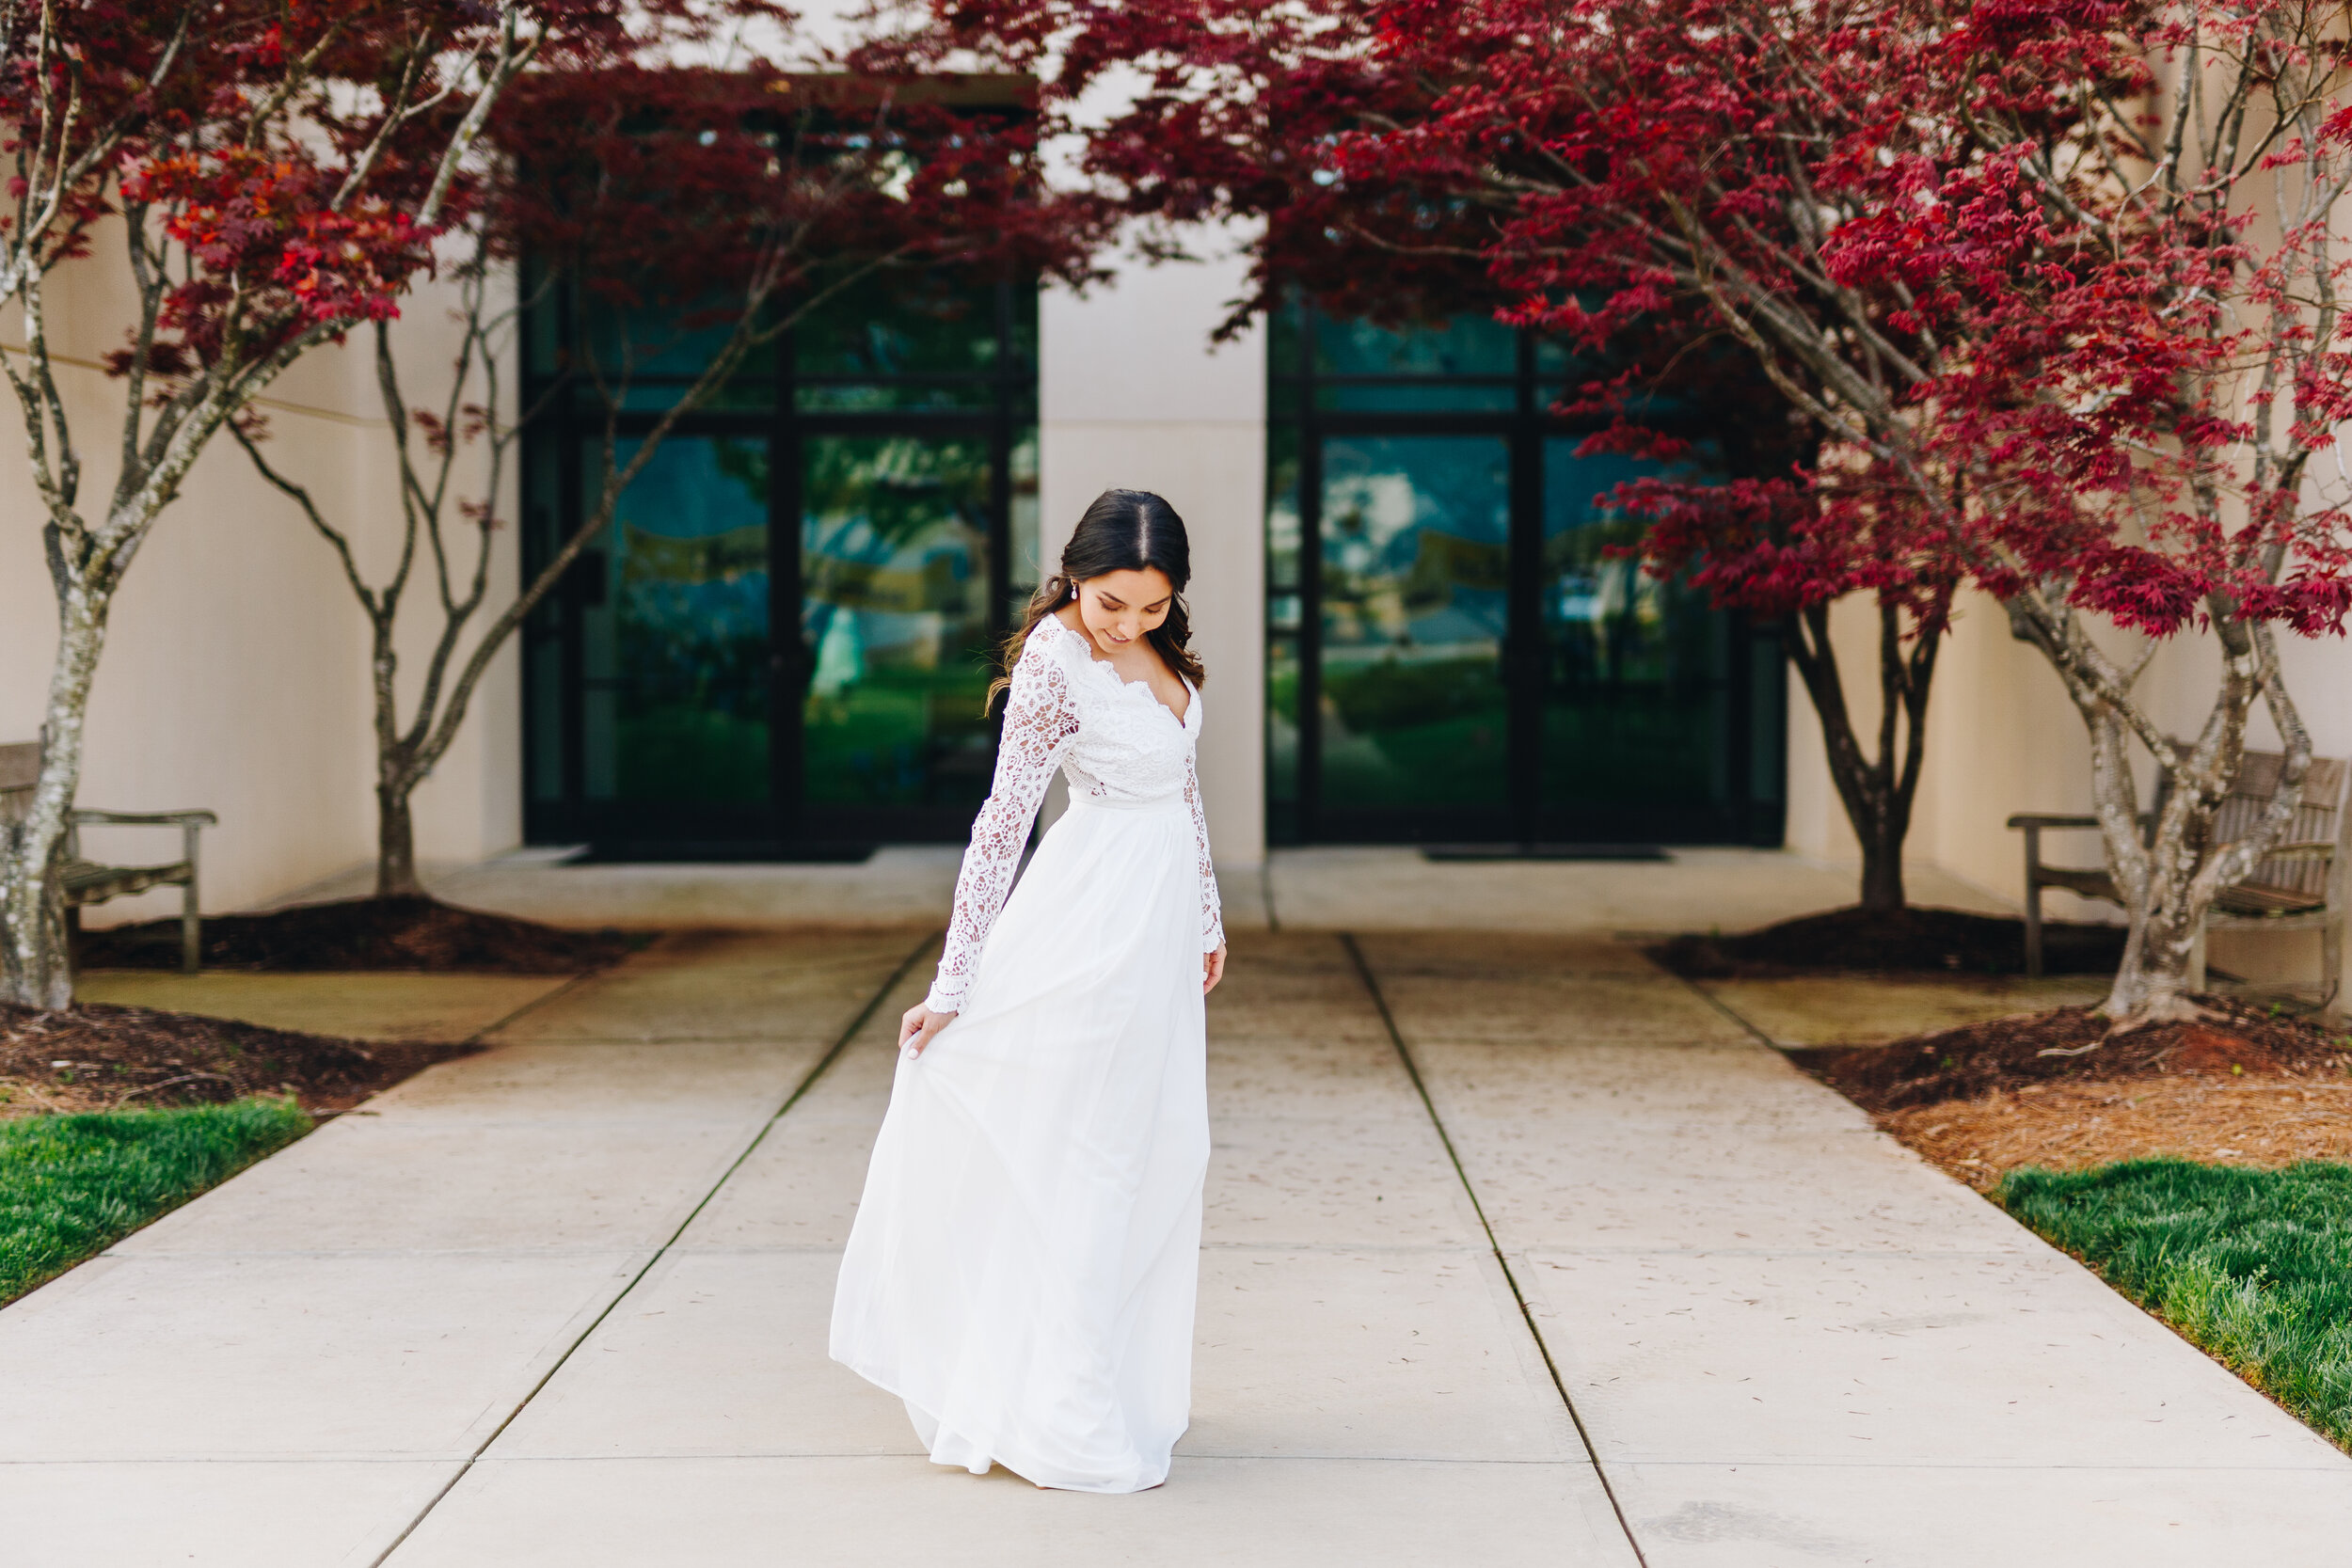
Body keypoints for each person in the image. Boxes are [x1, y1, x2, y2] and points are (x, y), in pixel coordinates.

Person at [830, 487, 1228, 1494]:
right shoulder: (1055, 660)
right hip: (1089, 919)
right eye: (1110, 603)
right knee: (1090, 1157)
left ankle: (1093, 1381)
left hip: (1159, 921)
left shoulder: (1160, 649)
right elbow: (1002, 820)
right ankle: (1063, 1407)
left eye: (1149, 606)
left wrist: (1210, 915)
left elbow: (1182, 786)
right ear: (1075, 574)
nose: (1127, 623)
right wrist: (953, 979)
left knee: (1156, 1149)